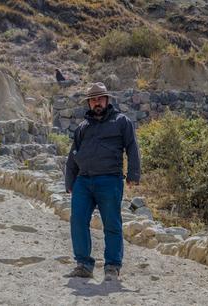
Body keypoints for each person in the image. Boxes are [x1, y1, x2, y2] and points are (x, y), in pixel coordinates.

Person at [64, 82, 141, 281]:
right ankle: (83, 265)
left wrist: (133, 174)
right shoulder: (82, 128)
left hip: (110, 180)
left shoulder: (121, 122)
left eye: (99, 98)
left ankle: (112, 266)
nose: (96, 102)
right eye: (92, 99)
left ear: (107, 100)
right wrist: (70, 181)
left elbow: (132, 147)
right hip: (83, 181)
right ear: (89, 103)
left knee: (112, 224)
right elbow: (73, 156)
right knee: (78, 221)